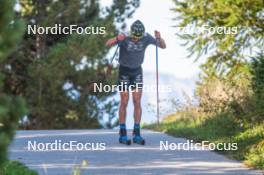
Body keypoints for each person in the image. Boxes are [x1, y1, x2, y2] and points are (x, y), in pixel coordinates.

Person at [106, 20, 166, 145]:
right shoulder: (124, 36)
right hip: (124, 72)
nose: (136, 40)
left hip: (137, 72)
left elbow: (163, 46)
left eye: (138, 38)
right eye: (133, 37)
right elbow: (108, 43)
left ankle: (137, 133)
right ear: (131, 33)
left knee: (137, 101)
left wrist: (159, 38)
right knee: (124, 101)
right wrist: (117, 38)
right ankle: (123, 133)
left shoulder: (146, 37)